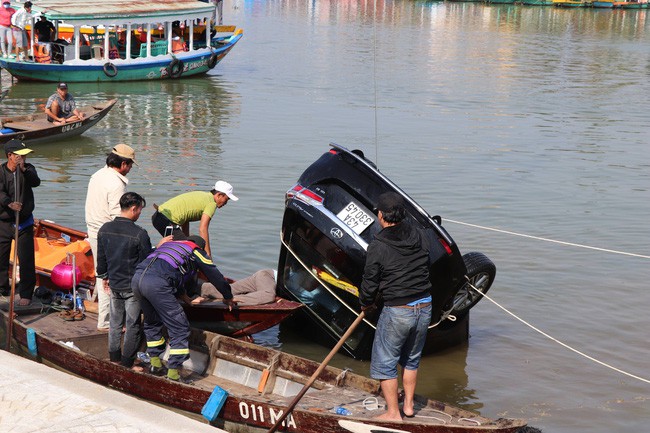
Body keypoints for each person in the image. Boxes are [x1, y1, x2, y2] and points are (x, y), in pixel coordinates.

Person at [358, 192, 433, 421]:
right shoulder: (421, 235)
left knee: (384, 362)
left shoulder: (378, 244)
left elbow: (370, 281)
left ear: (381, 215)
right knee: (411, 359)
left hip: (399, 310)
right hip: (425, 305)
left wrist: (366, 303)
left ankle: (393, 413)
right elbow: (424, 263)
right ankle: (408, 407)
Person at [132, 235, 235, 382]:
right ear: (199, 246)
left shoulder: (170, 247)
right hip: (156, 283)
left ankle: (155, 364)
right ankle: (173, 373)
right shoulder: (196, 251)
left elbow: (175, 274)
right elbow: (214, 274)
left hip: (137, 279)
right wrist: (228, 295)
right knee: (180, 327)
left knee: (152, 322)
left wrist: (186, 298)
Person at [96, 192, 169, 371]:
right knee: (132, 325)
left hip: (114, 283)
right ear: (134, 208)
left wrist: (104, 276)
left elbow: (101, 259)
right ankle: (127, 363)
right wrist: (158, 248)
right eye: (139, 211)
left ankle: (114, 359)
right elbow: (147, 262)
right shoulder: (139, 234)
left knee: (115, 323)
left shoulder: (104, 229)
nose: (139, 214)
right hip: (132, 286)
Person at [85, 144, 137, 331]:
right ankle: (105, 321)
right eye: (130, 165)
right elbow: (118, 215)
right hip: (107, 233)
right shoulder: (116, 183)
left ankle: (97, 305)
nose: (130, 169)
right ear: (123, 164)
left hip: (93, 228)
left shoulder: (98, 174)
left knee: (101, 271)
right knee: (108, 276)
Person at [0, 139, 41, 306]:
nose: (22, 159)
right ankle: (2, 288)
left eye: (24, 156)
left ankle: (26, 292)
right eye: (19, 156)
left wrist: (23, 169)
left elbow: (35, 182)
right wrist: (9, 203)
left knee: (26, 259)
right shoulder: (1, 172)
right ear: (10, 156)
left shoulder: (28, 169)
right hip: (3, 222)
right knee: (1, 257)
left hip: (23, 223)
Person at [151, 180, 238, 257]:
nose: (226, 203)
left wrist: (186, 238)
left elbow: (185, 218)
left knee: (184, 248)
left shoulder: (203, 196)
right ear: (219, 195)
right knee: (188, 251)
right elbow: (203, 229)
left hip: (158, 217)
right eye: (226, 199)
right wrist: (208, 255)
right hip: (167, 221)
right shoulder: (211, 204)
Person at [197, 269, 276, 305]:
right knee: (268, 295)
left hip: (264, 274)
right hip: (268, 276)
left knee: (232, 289)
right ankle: (233, 300)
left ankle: (200, 288)